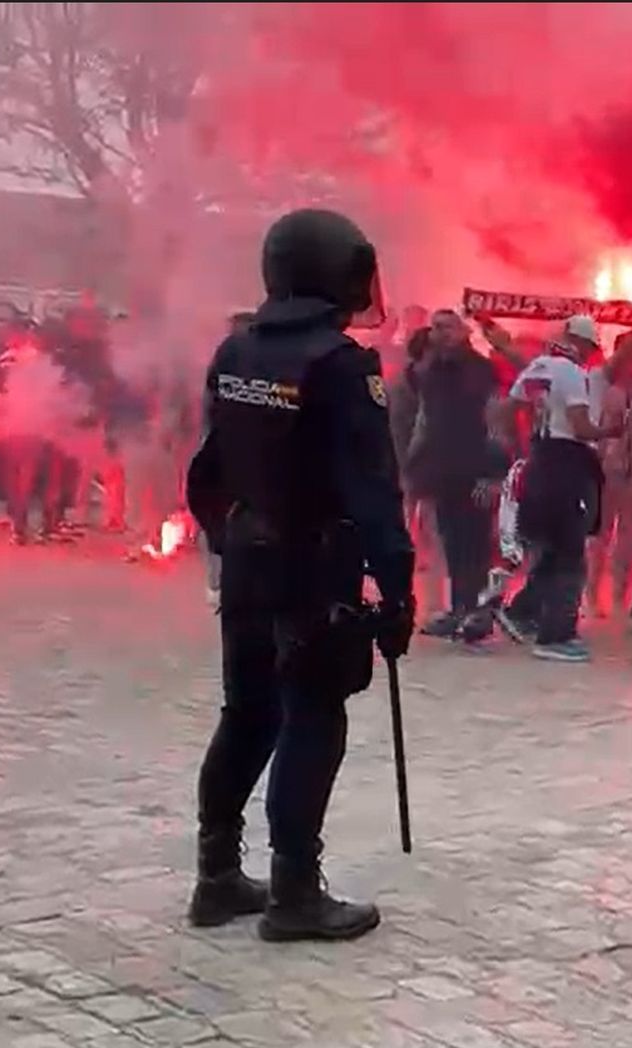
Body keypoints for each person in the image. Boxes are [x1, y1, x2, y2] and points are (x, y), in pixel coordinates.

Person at [183, 208, 415, 942]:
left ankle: (217, 876)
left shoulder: (236, 349)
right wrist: (398, 581)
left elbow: (207, 472)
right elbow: (373, 486)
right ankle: (293, 893)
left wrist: (229, 539)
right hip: (315, 567)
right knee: (314, 715)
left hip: (248, 558)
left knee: (247, 714)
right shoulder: (342, 364)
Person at [485, 314, 610, 660]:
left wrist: (515, 443)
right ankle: (556, 636)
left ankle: (522, 613)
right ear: (580, 342)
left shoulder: (539, 366)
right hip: (567, 463)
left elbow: (506, 410)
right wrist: (611, 430)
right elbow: (581, 427)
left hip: (539, 459)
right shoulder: (571, 372)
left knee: (552, 550)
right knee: (571, 553)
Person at [406, 310, 506, 636]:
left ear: (463, 332)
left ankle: (476, 612)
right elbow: (425, 418)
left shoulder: (481, 370)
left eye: (448, 327)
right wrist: (414, 464)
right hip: (442, 467)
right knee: (451, 541)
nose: (441, 333)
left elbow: (495, 423)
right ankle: (461, 608)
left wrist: (494, 475)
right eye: (435, 327)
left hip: (475, 467)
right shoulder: (431, 371)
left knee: (475, 543)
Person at [586, 330, 632, 620]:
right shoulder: (601, 384)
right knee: (600, 534)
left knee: (630, 539)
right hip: (607, 468)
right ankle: (591, 596)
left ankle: (619, 598)